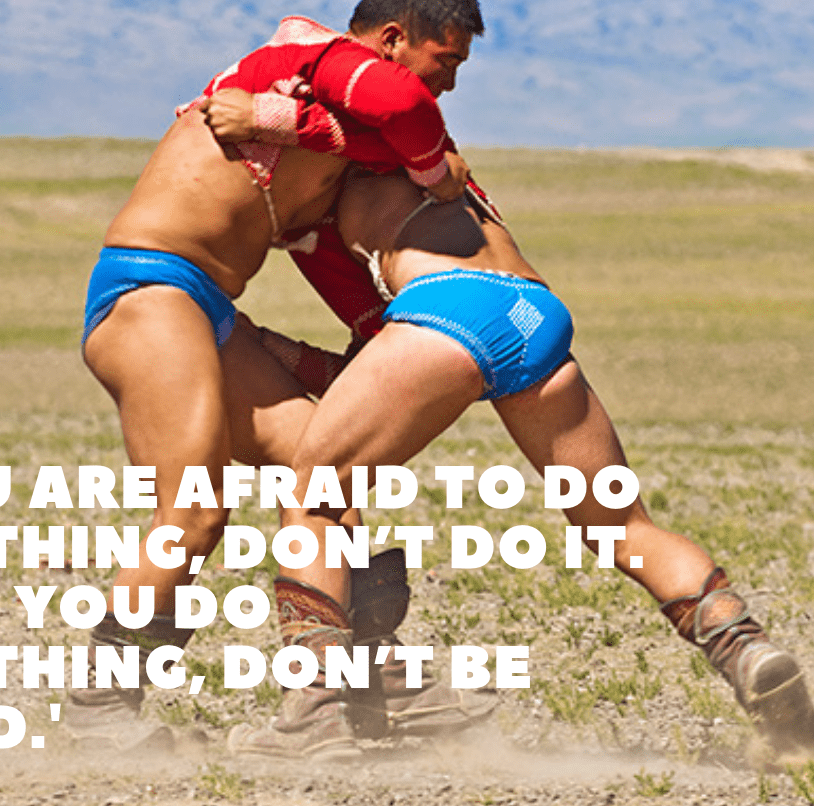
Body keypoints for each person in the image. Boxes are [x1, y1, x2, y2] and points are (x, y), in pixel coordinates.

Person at [227, 167, 814, 764]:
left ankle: (316, 713)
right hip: (533, 311)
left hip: (448, 306)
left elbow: (396, 348)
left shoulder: (342, 145)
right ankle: (747, 649)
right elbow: (373, 368)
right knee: (624, 527)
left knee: (312, 494)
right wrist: (284, 352)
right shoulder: (421, 160)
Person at [68, 0, 489, 749]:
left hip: (212, 313)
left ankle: (351, 691)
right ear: (393, 39)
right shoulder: (309, 61)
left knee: (323, 471)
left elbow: (348, 290)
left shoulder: (321, 144)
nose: (449, 88)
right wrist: (435, 171)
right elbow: (401, 104)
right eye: (447, 63)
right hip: (149, 288)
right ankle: (98, 717)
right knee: (195, 507)